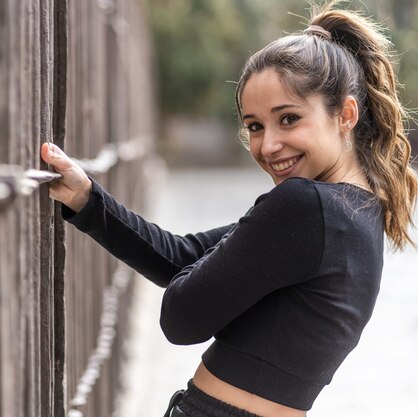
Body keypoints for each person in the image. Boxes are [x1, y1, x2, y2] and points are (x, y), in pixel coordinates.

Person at [41, 1, 417, 416]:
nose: (268, 145)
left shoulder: (304, 206)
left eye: (288, 119)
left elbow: (181, 318)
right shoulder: (359, 213)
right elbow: (184, 256)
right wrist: (86, 200)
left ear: (345, 114)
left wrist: (223, 290)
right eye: (254, 126)